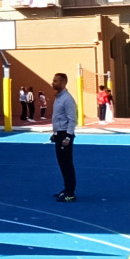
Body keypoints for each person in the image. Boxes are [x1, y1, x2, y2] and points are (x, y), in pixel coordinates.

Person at [50, 73, 77, 202]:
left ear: (63, 83)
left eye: (55, 81)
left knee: (67, 165)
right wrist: (55, 134)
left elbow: (72, 119)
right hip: (59, 134)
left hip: (65, 136)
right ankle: (66, 188)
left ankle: (70, 193)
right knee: (62, 164)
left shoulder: (67, 99)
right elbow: (58, 118)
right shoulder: (58, 98)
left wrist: (68, 137)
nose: (53, 83)